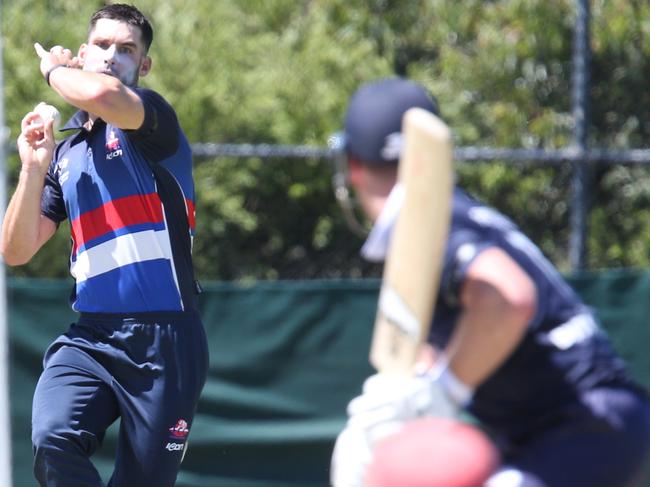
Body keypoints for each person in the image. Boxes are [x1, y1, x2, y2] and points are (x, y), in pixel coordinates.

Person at [329, 77, 650, 487]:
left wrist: (444, 392)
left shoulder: (427, 219)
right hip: (594, 428)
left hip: (581, 429)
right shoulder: (450, 211)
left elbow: (509, 298)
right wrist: (410, 390)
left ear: (353, 166)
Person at [0, 4, 208, 486]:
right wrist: (33, 167)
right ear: (84, 51)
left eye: (127, 50)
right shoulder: (67, 153)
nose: (113, 56)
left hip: (165, 341)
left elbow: (102, 94)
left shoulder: (152, 120)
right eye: (103, 45)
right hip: (91, 338)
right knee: (53, 439)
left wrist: (53, 71)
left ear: (144, 66)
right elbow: (15, 250)